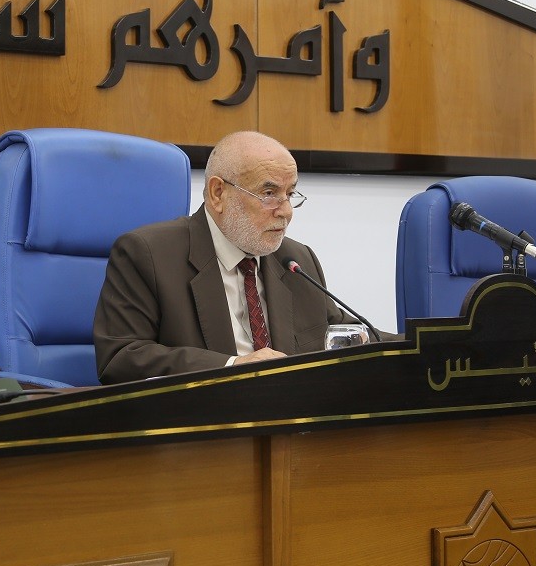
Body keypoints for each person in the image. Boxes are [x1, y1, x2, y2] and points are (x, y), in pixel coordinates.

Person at [93, 130, 350, 384]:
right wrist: (232, 367)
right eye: (269, 194)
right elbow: (122, 358)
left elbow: (347, 335)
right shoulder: (148, 254)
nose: (286, 212)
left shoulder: (296, 260)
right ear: (218, 193)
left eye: (290, 194)